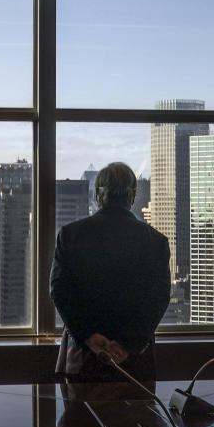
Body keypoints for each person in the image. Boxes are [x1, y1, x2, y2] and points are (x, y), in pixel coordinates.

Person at [51, 161, 170, 383]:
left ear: (97, 195)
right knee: (138, 416)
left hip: (83, 357)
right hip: (134, 361)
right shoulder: (155, 241)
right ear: (132, 196)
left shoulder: (70, 235)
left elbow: (59, 290)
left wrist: (87, 335)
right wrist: (128, 344)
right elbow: (159, 297)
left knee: (81, 415)